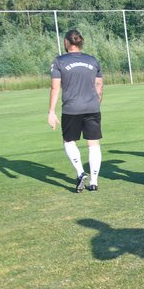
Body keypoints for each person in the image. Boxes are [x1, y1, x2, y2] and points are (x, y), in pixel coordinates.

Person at [47, 29, 104, 192]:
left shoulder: (59, 61)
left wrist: (51, 112)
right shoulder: (92, 60)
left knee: (69, 141)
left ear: (66, 42)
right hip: (92, 107)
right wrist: (96, 103)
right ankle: (94, 182)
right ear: (80, 42)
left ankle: (80, 172)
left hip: (71, 109)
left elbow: (55, 87)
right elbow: (99, 85)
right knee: (93, 143)